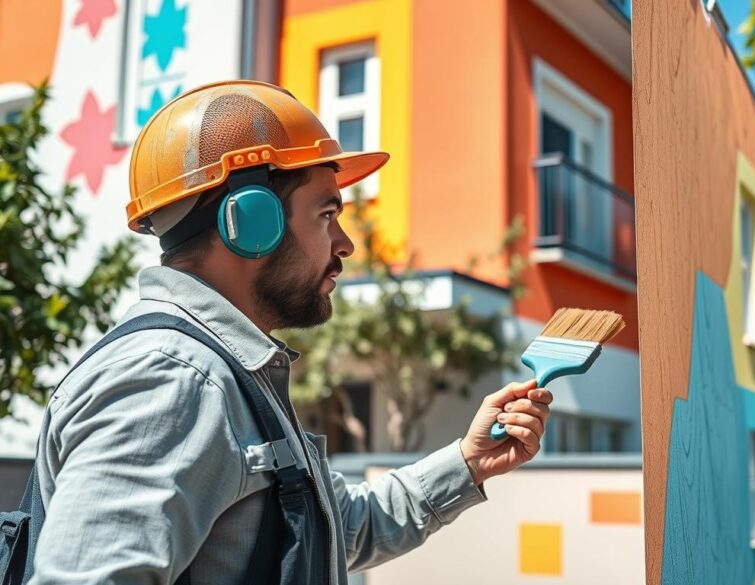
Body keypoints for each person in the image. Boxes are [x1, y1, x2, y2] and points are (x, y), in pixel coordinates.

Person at [29, 80, 551, 584]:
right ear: (251, 223)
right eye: (327, 214)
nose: (345, 245)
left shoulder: (225, 373)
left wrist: (469, 463)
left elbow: (329, 532)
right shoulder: (174, 381)